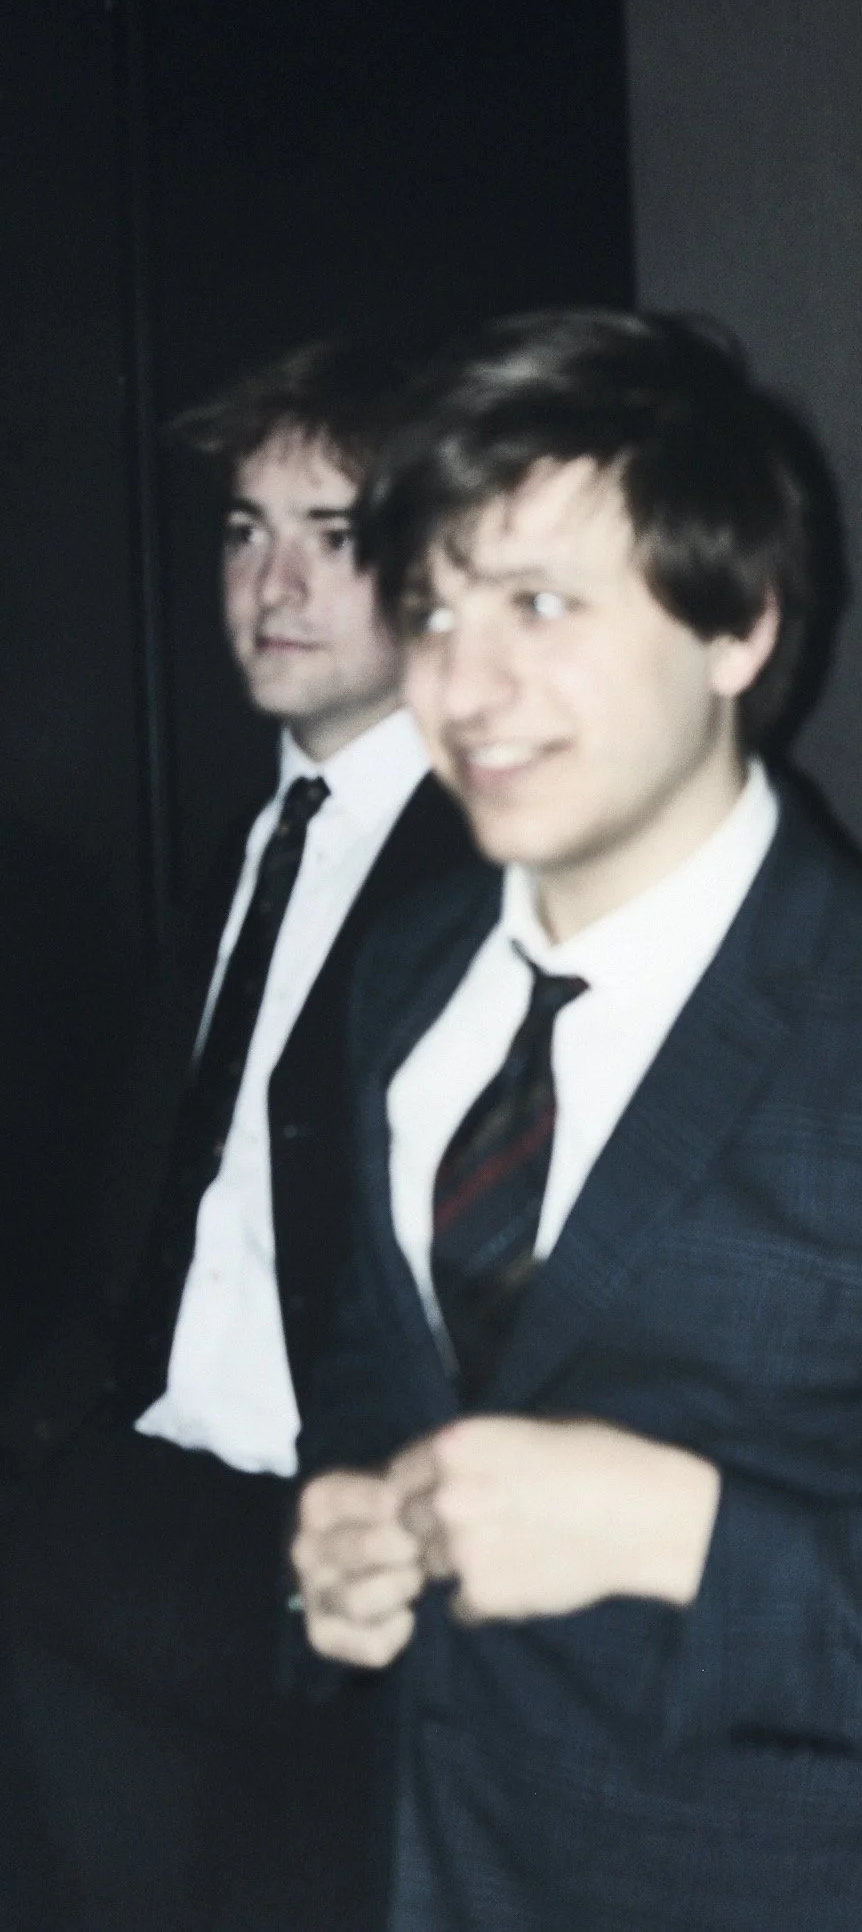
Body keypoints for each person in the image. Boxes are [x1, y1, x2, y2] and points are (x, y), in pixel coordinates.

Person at [287, 307, 862, 1932]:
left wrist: (694, 1539)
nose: (463, 686)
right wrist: (349, 1527)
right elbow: (375, 1370)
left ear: (739, 625)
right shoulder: (407, 981)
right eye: (428, 610)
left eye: (540, 603)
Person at [0, 340, 477, 1932]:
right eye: (243, 530)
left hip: (330, 1570)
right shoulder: (245, 848)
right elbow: (153, 1205)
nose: (271, 583)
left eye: (331, 534)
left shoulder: (493, 867)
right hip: (126, 1515)